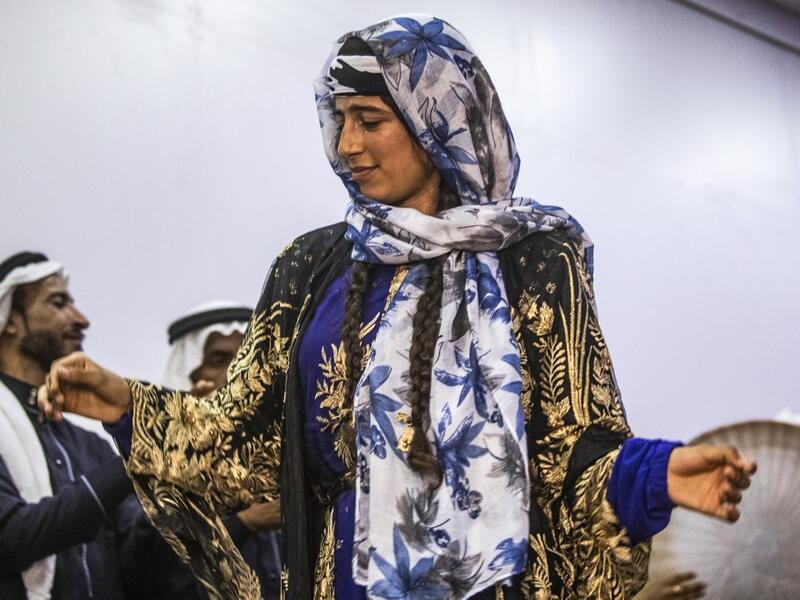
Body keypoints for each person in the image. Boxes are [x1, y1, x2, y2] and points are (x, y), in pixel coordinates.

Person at [39, 15, 757, 600]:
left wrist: (653, 474)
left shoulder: (533, 260)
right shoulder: (310, 266)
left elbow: (570, 449)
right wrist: (122, 400)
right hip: (342, 581)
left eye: (370, 119)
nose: (346, 144)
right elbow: (245, 441)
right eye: (338, 119)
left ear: (435, 120)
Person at [0, 251, 197, 599]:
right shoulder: (114, 461)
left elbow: (144, 570)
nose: (81, 319)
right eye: (58, 303)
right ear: (11, 320)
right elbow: (12, 539)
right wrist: (138, 452)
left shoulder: (92, 447)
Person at [161, 302, 283, 598]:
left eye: (245, 358)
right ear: (188, 374)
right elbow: (148, 569)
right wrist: (244, 523)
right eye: (218, 359)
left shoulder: (280, 455)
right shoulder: (155, 465)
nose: (234, 373)